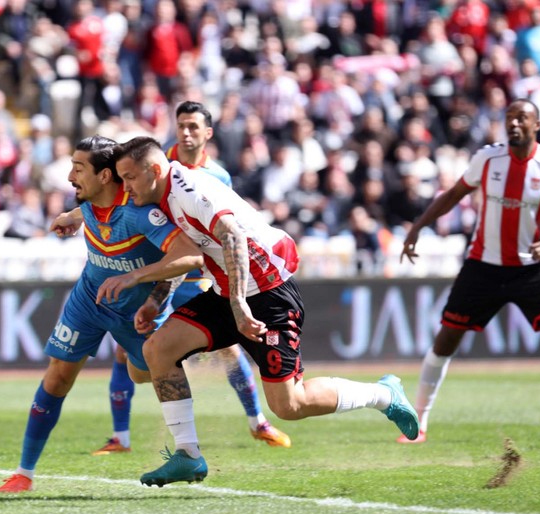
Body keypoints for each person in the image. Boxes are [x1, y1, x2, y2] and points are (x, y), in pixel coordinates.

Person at [104, 137, 419, 487]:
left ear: (155, 170)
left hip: (268, 295)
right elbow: (189, 255)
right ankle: (188, 455)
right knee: (157, 349)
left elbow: (233, 237)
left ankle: (385, 395)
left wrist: (239, 303)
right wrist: (155, 302)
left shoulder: (188, 189)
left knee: (289, 406)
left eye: (129, 177)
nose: (125, 186)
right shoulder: (160, 200)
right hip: (229, 293)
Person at [0, 136, 204, 493]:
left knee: (144, 374)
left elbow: (191, 256)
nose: (69, 177)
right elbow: (90, 209)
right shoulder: (89, 202)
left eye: (78, 169)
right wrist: (73, 216)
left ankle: (190, 448)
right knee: (58, 375)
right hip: (88, 300)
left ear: (106, 176)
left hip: (135, 313)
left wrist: (143, 288)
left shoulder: (141, 213)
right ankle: (23, 473)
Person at [92, 101, 291, 457]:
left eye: (193, 127)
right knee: (131, 350)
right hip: (163, 271)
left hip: (200, 278)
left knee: (231, 351)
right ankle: (121, 435)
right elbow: (118, 203)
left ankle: (256, 420)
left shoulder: (214, 178)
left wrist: (235, 294)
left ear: (207, 134)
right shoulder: (150, 169)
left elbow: (226, 235)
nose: (185, 133)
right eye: (180, 125)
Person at [397, 99, 540, 445]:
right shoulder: (488, 158)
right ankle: (419, 424)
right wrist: (419, 226)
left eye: (522, 118)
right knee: (446, 340)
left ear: (537, 125)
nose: (513, 124)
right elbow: (454, 194)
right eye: (509, 118)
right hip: (482, 267)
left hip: (530, 267)